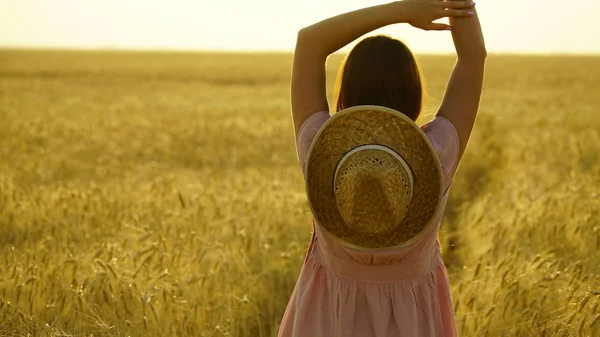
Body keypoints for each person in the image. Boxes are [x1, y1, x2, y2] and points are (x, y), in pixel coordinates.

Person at [279, 0, 486, 336]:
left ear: (345, 90)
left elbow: (309, 43)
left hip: (324, 318)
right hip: (414, 321)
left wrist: (403, 11)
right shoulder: (436, 154)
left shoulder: (320, 148)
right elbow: (473, 57)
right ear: (414, 93)